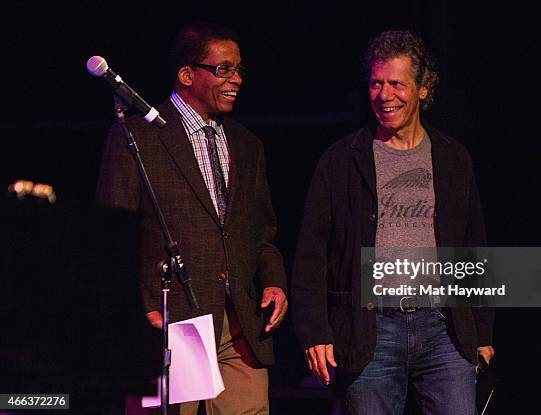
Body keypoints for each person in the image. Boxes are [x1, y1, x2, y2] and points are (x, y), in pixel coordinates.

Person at [291, 30, 494, 414]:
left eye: (397, 84)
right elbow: (311, 253)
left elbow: (474, 246)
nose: (385, 95)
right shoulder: (341, 161)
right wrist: (315, 331)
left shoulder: (453, 158)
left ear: (423, 88)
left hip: (444, 329)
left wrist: (482, 332)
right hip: (371, 331)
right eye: (376, 84)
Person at [96, 22, 288, 415]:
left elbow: (262, 232)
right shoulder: (137, 137)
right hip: (173, 320)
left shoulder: (247, 144)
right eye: (224, 69)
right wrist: (138, 307)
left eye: (239, 70)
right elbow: (110, 236)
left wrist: (272, 281)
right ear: (187, 74)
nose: (236, 79)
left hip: (238, 324)